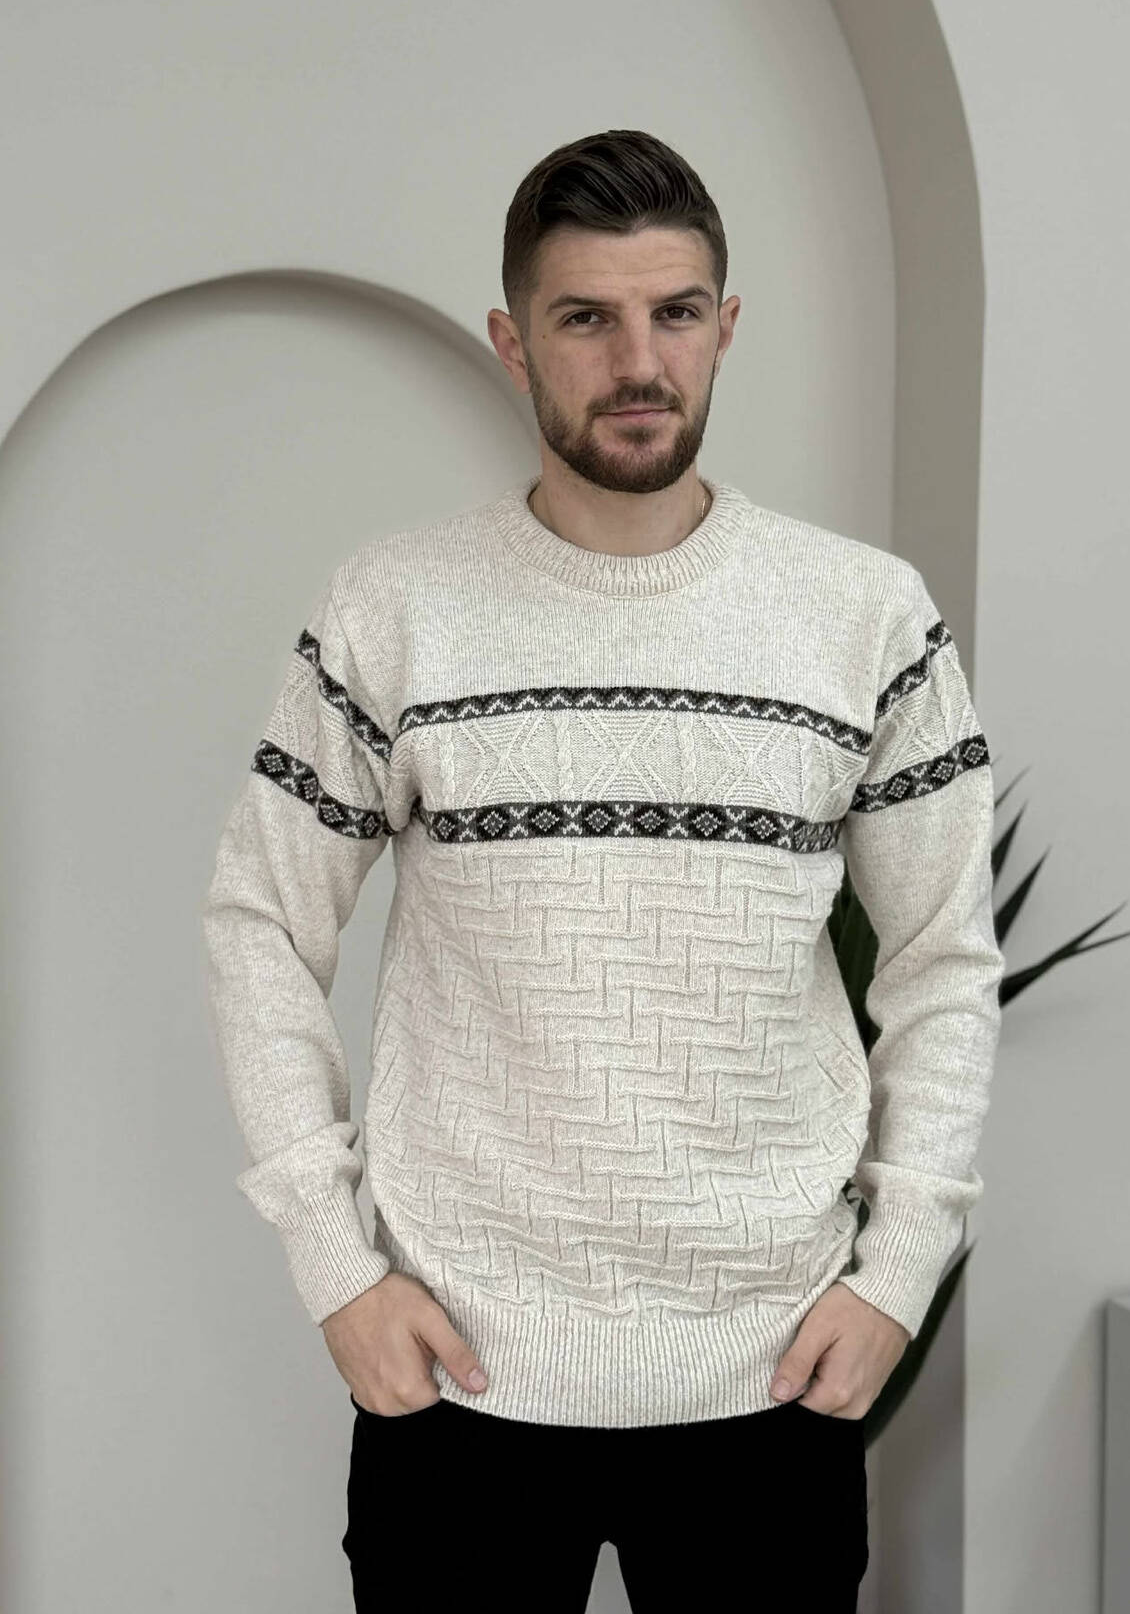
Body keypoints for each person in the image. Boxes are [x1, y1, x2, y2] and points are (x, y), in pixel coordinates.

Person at [201, 128, 1005, 1612]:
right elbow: (261, 923)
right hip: (461, 1380)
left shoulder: (865, 618)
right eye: (586, 318)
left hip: (774, 1378)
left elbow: (943, 959)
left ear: (725, 326)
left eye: (674, 312)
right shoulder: (396, 609)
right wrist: (336, 1267)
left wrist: (898, 1273)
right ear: (514, 341)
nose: (639, 362)